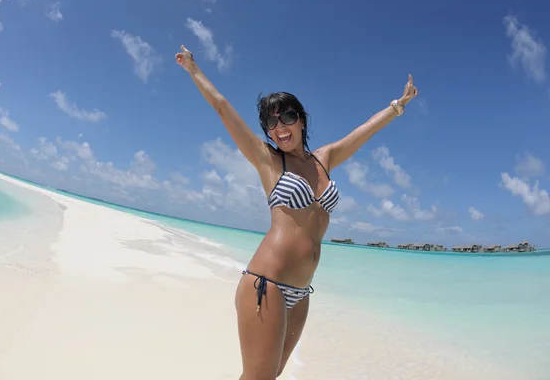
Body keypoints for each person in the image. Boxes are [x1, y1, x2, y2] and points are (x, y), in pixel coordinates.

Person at [175, 45, 418, 379]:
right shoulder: (269, 161)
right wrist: (192, 68)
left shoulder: (325, 158)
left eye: (286, 116)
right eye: (271, 122)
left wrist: (398, 106)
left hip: (301, 294)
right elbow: (221, 107)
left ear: (301, 120)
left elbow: (366, 131)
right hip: (266, 284)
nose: (279, 126)